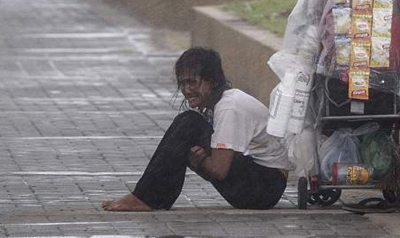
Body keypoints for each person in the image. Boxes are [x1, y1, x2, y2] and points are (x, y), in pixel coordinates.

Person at [102, 47, 289, 211]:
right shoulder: (219, 104)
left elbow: (219, 171)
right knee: (186, 127)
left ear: (212, 81)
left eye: (192, 82)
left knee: (189, 123)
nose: (186, 90)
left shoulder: (228, 107)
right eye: (182, 84)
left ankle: (146, 198)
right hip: (259, 185)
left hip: (264, 188)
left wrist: (201, 160)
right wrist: (198, 158)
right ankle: (151, 198)